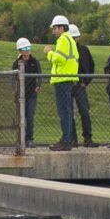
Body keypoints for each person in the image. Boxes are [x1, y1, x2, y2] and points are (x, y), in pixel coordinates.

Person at [43, 15, 80, 151]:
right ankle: (67, 139)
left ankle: (66, 141)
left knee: (64, 111)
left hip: (62, 79)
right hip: (67, 78)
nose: (53, 30)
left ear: (61, 28)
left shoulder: (63, 39)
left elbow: (60, 59)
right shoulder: (70, 39)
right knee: (67, 111)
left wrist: (49, 52)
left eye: (55, 28)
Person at [69, 24, 99, 147]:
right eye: (72, 37)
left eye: (75, 37)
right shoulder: (65, 50)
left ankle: (87, 138)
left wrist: (85, 82)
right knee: (69, 113)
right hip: (68, 85)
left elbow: (91, 67)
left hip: (80, 86)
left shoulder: (84, 50)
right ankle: (72, 139)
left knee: (84, 111)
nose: (74, 40)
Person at [12, 37, 41, 148]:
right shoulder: (16, 63)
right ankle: (20, 139)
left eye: (28, 48)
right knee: (20, 117)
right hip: (20, 94)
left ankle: (29, 139)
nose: (27, 50)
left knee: (30, 116)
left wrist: (38, 85)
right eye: (24, 48)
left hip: (31, 94)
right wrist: (15, 91)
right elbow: (13, 79)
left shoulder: (35, 62)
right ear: (20, 51)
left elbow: (39, 76)